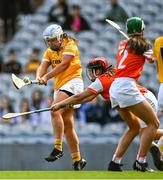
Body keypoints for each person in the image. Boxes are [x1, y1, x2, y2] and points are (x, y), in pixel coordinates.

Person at [50, 57, 163, 171]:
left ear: (98, 70)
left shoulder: (101, 80)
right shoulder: (106, 78)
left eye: (92, 70)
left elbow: (80, 96)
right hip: (124, 101)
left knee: (145, 131)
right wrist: (68, 104)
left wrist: (60, 104)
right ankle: (115, 162)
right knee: (135, 128)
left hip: (144, 98)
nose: (90, 74)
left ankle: (143, 158)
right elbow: (88, 98)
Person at [108, 17, 160, 172]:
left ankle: (115, 163)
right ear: (142, 29)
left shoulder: (122, 43)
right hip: (127, 86)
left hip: (115, 87)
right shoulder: (143, 44)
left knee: (134, 126)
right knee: (153, 124)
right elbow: (151, 60)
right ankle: (140, 162)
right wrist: (151, 55)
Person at [36, 24, 86, 170]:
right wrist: (39, 76)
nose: (50, 43)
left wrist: (46, 77)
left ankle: (58, 147)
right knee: (68, 126)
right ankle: (77, 160)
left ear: (60, 37)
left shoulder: (70, 45)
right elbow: (42, 66)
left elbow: (64, 65)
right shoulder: (49, 51)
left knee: (54, 110)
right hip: (59, 87)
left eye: (52, 40)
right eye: (48, 41)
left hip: (73, 83)